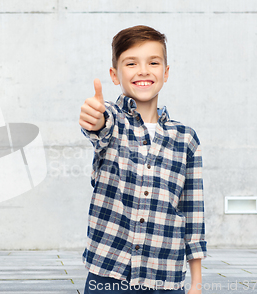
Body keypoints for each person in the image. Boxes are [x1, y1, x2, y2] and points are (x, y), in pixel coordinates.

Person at [78, 25, 207, 294]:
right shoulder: (113, 122)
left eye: (153, 62)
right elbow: (99, 127)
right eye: (131, 63)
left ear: (166, 72)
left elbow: (193, 216)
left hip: (165, 278)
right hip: (108, 275)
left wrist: (196, 283)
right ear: (115, 75)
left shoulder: (186, 139)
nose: (144, 70)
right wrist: (95, 119)